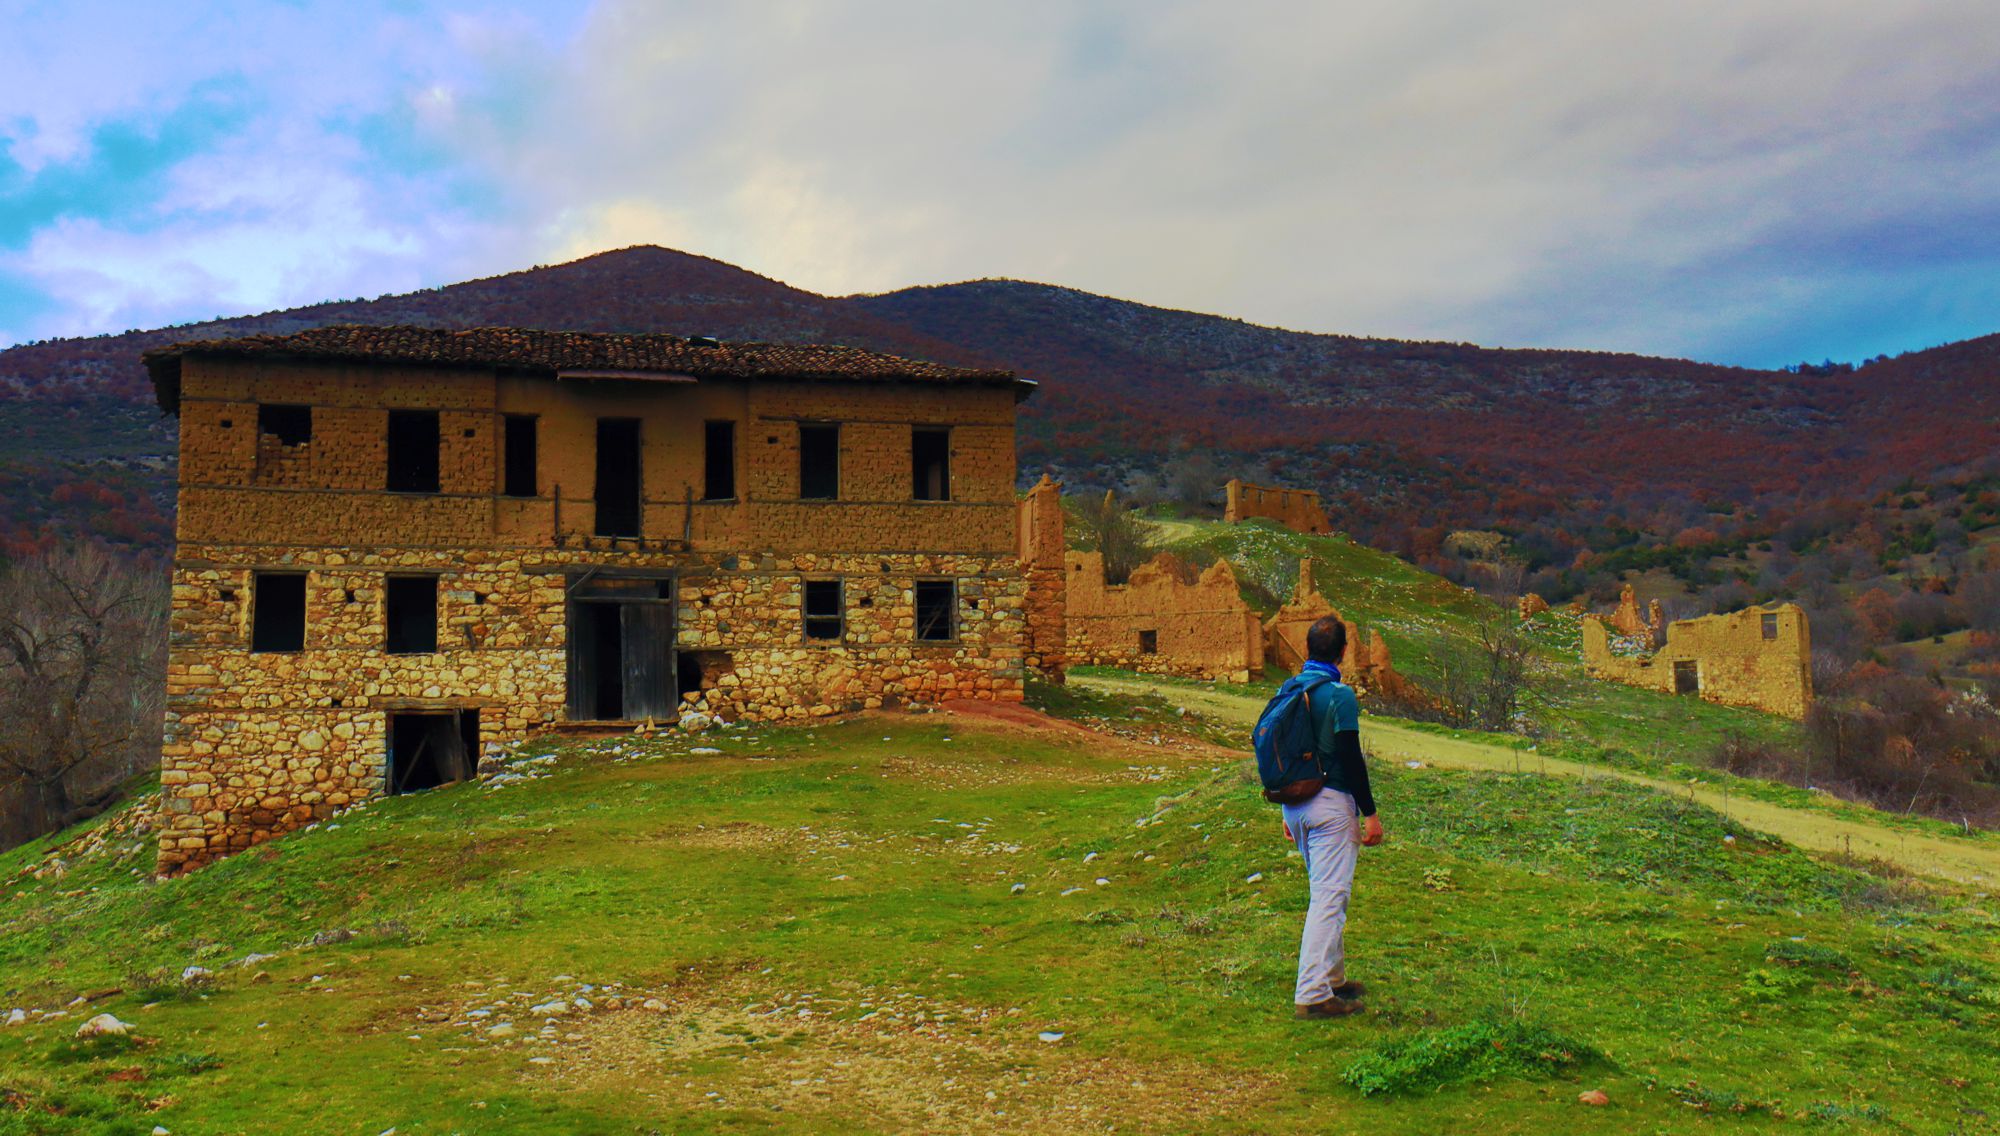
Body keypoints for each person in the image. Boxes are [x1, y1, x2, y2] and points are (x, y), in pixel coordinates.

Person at [1284, 615, 1384, 1020]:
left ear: (1308, 649)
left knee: (1325, 893)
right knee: (1330, 897)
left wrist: (1288, 812)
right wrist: (1370, 814)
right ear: (1343, 652)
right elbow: (1349, 758)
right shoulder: (1338, 695)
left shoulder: (1290, 689)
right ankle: (1312, 994)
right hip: (1330, 805)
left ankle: (1333, 978)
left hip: (1297, 806)